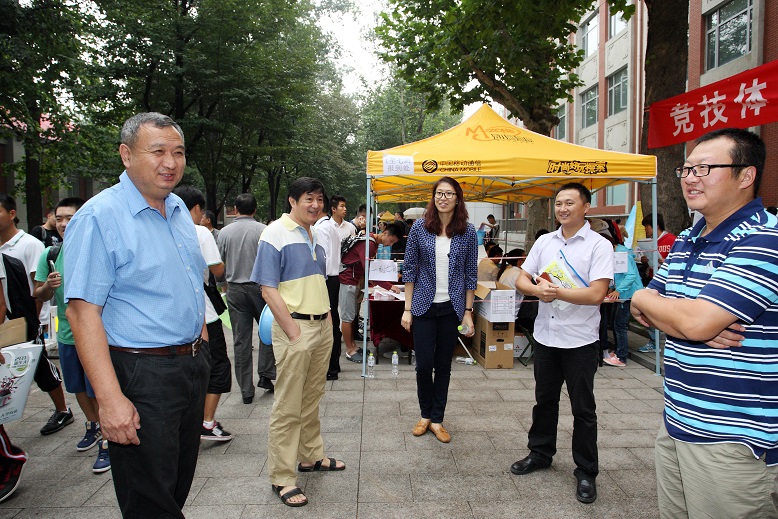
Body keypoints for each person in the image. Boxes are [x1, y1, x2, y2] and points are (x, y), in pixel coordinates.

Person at [64, 112, 210, 518]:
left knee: (174, 485)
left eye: (178, 152)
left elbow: (188, 279)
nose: (170, 163)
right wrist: (110, 401)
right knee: (149, 499)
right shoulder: (99, 217)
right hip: (141, 373)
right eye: (158, 152)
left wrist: (201, 340)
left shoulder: (177, 207)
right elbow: (81, 313)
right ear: (126, 155)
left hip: (189, 366)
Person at [631, 128, 778, 517]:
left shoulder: (764, 238)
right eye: (686, 169)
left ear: (745, 176)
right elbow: (644, 308)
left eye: (704, 168)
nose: (690, 178)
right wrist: (656, 305)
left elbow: (695, 324)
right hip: (677, 420)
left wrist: (682, 317)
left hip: (733, 438)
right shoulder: (687, 238)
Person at [510, 182, 613, 505]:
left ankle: (586, 471)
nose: (562, 209)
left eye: (569, 203)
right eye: (558, 204)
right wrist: (535, 290)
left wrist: (556, 293)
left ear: (586, 207)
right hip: (546, 336)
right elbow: (521, 277)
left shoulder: (599, 245)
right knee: (544, 400)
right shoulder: (545, 242)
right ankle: (540, 453)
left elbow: (597, 293)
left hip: (580, 340)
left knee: (583, 408)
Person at [253, 177, 344, 508]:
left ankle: (311, 455)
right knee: (288, 405)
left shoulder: (314, 234)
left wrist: (328, 319)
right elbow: (267, 288)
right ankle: (282, 476)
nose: (315, 205)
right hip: (296, 328)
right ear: (292, 200)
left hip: (321, 326)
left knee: (311, 397)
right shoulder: (275, 233)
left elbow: (318, 281)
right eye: (309, 198)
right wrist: (292, 331)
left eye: (319, 199)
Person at [33, 197, 111, 473]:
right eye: (59, 218)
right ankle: (94, 425)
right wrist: (48, 287)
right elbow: (39, 293)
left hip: (96, 333)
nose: (64, 223)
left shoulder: (97, 249)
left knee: (98, 388)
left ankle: (107, 440)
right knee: (77, 387)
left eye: (70, 218)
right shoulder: (51, 254)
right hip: (67, 333)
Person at [401, 177, 477, 444]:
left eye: (449, 194)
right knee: (423, 365)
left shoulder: (467, 231)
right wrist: (407, 309)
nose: (443, 198)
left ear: (458, 198)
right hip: (423, 306)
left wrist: (467, 311)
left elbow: (471, 273)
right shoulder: (420, 228)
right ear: (433, 197)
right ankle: (424, 415)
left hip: (451, 308)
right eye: (439, 193)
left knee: (444, 365)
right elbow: (409, 269)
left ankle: (437, 419)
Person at [0, 193, 72, 436]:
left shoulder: (29, 244)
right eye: (59, 218)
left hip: (25, 322)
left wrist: (34, 325)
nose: (62, 224)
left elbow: (36, 288)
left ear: (12, 214)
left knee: (40, 369)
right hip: (11, 321)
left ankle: (63, 410)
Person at [173, 186, 233, 442]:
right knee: (217, 366)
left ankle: (182, 422)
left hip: (170, 316)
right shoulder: (199, 232)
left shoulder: (160, 228)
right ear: (197, 208)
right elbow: (217, 270)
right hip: (203, 314)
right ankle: (207, 422)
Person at [217, 193, 271, 403]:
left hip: (235, 290)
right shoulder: (263, 230)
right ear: (255, 210)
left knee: (241, 340)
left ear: (235, 209)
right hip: (260, 288)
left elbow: (219, 264)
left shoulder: (224, 233)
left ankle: (246, 390)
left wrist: (221, 284)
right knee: (267, 331)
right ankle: (266, 374)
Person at [340, 223, 403, 362]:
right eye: (391, 240)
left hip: (353, 280)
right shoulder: (369, 244)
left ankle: (353, 346)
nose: (390, 244)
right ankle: (349, 350)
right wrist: (389, 286)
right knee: (347, 317)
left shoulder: (371, 240)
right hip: (347, 281)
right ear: (385, 233)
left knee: (351, 316)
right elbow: (369, 272)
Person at [314, 194, 353, 380]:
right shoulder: (329, 226)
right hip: (333, 277)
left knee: (328, 322)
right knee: (332, 320)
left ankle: (331, 366)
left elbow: (322, 258)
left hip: (327, 278)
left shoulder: (322, 228)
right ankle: (333, 365)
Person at [602, 231, 643, 367]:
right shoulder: (616, 252)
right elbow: (616, 274)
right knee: (615, 323)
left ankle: (621, 356)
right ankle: (618, 351)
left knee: (619, 325)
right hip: (622, 294)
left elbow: (630, 276)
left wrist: (618, 290)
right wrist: (611, 287)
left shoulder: (620, 254)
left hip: (627, 295)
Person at [638, 213, 676, 353]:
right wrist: (645, 260)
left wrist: (665, 262)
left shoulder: (671, 240)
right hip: (653, 278)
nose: (645, 230)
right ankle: (654, 340)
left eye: (647, 227)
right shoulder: (650, 242)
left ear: (656, 226)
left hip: (666, 281)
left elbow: (678, 261)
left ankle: (660, 340)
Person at [497, 248, 525, 320]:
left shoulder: (506, 271)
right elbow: (527, 293)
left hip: (504, 310)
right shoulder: (519, 275)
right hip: (515, 312)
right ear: (520, 261)